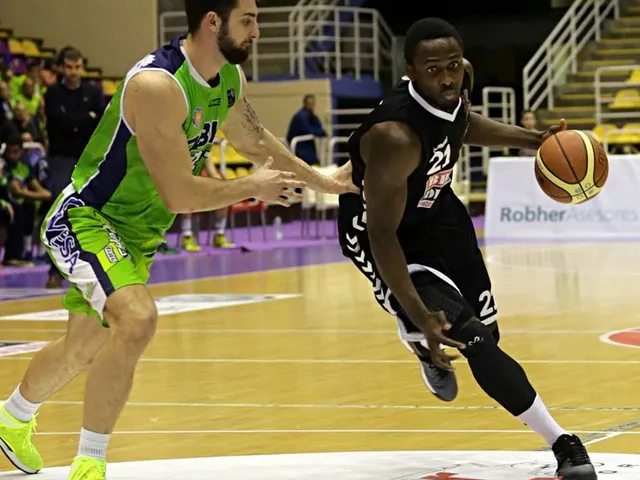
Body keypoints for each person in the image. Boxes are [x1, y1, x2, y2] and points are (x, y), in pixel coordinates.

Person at [0, 1, 356, 479]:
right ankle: (90, 463)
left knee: (81, 348)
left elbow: (255, 141)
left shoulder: (228, 78)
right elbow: (180, 194)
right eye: (248, 20)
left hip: (140, 232)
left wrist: (325, 181)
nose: (256, 31)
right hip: (88, 218)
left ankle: (12, 418)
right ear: (213, 21)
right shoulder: (157, 86)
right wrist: (251, 187)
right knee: (137, 319)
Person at [337, 18, 596, 480]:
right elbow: (382, 236)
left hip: (440, 214)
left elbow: (462, 125)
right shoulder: (394, 138)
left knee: (489, 337)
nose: (447, 78)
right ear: (409, 71)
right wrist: (418, 312)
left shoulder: (457, 85)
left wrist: (531, 140)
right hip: (388, 234)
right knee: (471, 337)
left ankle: (424, 338)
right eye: (433, 69)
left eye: (453, 65)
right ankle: (563, 443)